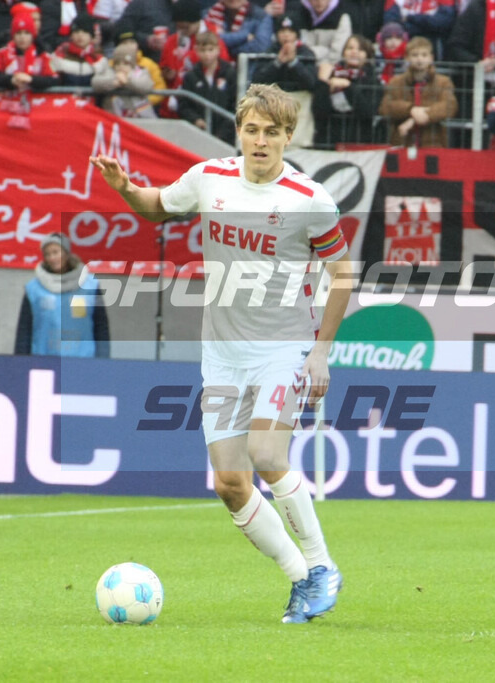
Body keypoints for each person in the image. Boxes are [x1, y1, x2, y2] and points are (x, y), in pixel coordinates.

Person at [91, 83, 351, 625]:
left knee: (268, 454)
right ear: (239, 132)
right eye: (252, 130)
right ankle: (302, 580)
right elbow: (157, 208)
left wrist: (320, 353)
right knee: (230, 484)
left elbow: (343, 274)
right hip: (223, 354)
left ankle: (323, 566)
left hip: (283, 347)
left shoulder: (310, 200)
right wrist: (124, 187)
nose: (261, 141)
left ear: (288, 137)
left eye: (272, 133)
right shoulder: (209, 179)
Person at [14, 233, 110, 357]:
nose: (52, 258)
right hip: (43, 360)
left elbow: (101, 326)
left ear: (66, 253)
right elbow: (24, 329)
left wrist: (104, 359)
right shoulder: (34, 289)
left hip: (83, 360)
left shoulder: (90, 286)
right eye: (48, 254)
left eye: (56, 252)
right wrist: (20, 361)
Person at [378, 36, 459, 147]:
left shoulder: (443, 82)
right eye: (415, 55)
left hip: (434, 142)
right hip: (402, 141)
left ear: (431, 58)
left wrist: (416, 118)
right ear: (407, 58)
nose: (419, 59)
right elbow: (385, 107)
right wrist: (410, 109)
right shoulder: (396, 82)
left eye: (424, 55)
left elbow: (450, 106)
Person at [312, 33, 383, 148]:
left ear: (367, 55)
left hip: (359, 141)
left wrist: (348, 86)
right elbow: (319, 112)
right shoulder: (330, 75)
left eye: (360, 49)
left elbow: (367, 112)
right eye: (350, 48)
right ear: (343, 53)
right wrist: (323, 82)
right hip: (328, 141)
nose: (354, 52)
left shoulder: (372, 80)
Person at [178, 29, 237, 142]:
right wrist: (195, 119)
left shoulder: (230, 73)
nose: (207, 55)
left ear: (218, 50)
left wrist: (223, 133)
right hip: (199, 136)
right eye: (202, 50)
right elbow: (184, 105)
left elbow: (236, 105)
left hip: (227, 137)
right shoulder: (191, 76)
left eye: (211, 50)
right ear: (196, 51)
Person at [92, 32, 167, 117]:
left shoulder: (141, 71)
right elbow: (96, 82)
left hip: (141, 117)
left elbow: (147, 86)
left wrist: (127, 81)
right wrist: (114, 83)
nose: (121, 67)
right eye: (118, 63)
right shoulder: (110, 71)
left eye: (126, 64)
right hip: (115, 118)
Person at [51, 13, 106, 86]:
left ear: (91, 36)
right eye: (76, 32)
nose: (80, 35)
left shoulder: (98, 58)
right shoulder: (59, 56)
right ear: (71, 35)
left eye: (85, 32)